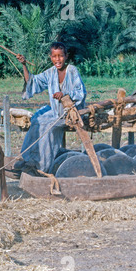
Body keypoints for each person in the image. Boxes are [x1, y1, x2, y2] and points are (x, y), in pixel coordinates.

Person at [14, 42, 87, 174]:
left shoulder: (72, 71)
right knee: (36, 121)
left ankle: (42, 167)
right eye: (54, 56)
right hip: (56, 111)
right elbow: (33, 82)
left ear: (66, 56)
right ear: (50, 57)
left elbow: (80, 92)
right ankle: (28, 159)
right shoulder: (50, 73)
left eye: (60, 56)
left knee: (48, 127)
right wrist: (24, 65)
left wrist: (65, 95)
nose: (57, 59)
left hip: (71, 112)